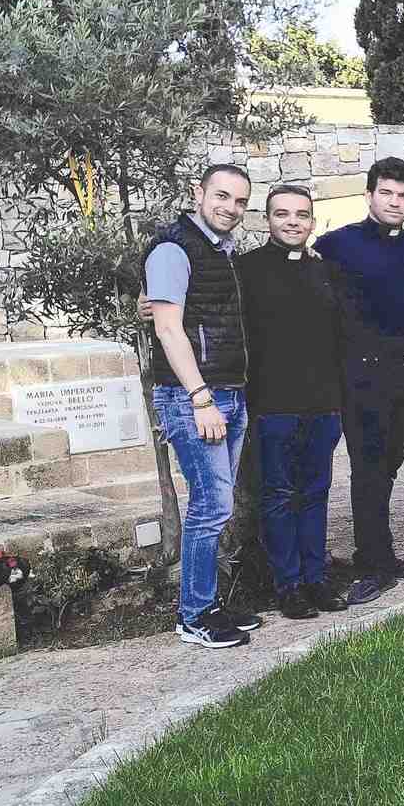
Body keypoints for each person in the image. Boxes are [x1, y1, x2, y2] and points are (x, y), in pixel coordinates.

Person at [145, 164, 262, 647]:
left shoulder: (223, 252)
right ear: (199, 193)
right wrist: (200, 397)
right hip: (194, 398)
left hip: (229, 394)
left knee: (217, 505)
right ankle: (193, 616)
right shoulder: (174, 247)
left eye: (239, 202)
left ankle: (206, 601)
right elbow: (168, 329)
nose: (230, 208)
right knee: (211, 507)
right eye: (221, 196)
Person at [314, 157, 404, 605]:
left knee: (389, 465)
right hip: (362, 374)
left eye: (403, 196)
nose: (395, 202)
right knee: (368, 467)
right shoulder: (335, 245)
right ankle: (372, 562)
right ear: (369, 196)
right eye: (387, 193)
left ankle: (379, 549)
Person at [237, 184, 351, 620]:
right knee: (278, 497)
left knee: (316, 493)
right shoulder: (245, 270)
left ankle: (316, 579)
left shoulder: (327, 272)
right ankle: (288, 586)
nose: (292, 222)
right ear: (267, 220)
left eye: (301, 215)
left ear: (312, 223)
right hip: (272, 406)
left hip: (323, 405)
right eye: (282, 214)